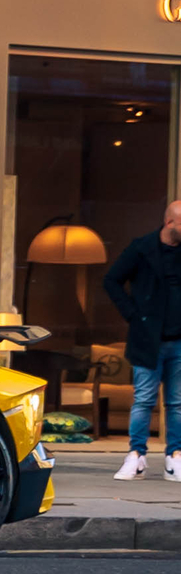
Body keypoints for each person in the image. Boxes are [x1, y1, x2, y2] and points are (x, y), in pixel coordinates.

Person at [104, 199, 181, 480]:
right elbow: (111, 280)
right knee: (144, 400)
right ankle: (136, 455)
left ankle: (176, 457)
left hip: (179, 341)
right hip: (148, 338)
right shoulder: (142, 248)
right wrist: (133, 315)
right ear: (169, 222)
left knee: (177, 402)